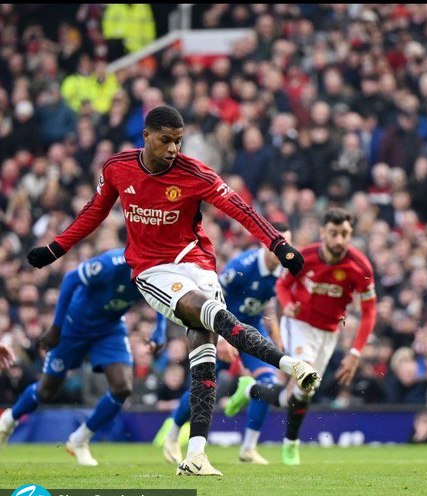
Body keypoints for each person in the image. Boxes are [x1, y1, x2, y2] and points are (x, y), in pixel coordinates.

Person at [26, 105, 320, 476]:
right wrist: (56, 248)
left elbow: (241, 209)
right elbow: (94, 211)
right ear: (146, 136)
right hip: (152, 269)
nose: (172, 149)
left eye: (178, 141)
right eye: (165, 140)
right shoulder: (117, 167)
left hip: (196, 262)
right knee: (208, 313)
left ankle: (196, 455)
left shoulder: (194, 173)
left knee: (204, 353)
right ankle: (288, 364)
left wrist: (278, 244)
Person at [225, 208, 377, 466]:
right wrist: (287, 305)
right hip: (299, 324)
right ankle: (291, 445)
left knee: (299, 394)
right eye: (334, 233)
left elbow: (369, 311)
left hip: (328, 333)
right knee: (305, 376)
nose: (339, 240)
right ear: (323, 232)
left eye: (345, 234)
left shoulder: (360, 266)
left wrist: (355, 353)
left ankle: (251, 390)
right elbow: (282, 285)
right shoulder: (304, 256)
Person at [0, 249, 166, 466]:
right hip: (73, 326)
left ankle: (80, 439)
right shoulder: (111, 263)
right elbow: (71, 279)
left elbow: (161, 294)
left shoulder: (156, 269)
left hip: (109, 329)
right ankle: (9, 419)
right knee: (47, 391)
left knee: (122, 387)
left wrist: (160, 329)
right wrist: (56, 327)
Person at [163, 223, 292, 466]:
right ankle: (173, 435)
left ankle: (248, 448)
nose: (282, 251)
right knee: (204, 383)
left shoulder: (283, 271)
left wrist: (277, 335)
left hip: (251, 331)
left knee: (268, 383)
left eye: (286, 245)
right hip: (222, 329)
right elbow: (211, 298)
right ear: (265, 243)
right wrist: (221, 337)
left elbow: (271, 303)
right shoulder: (241, 267)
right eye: (278, 245)